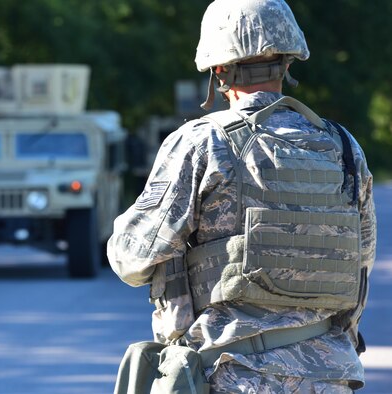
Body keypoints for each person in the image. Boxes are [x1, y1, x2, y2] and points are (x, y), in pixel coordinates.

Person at [108, 0, 377, 392]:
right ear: (288, 63)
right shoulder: (343, 147)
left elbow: (132, 258)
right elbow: (361, 261)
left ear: (218, 70)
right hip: (331, 375)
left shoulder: (202, 143)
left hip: (233, 375)